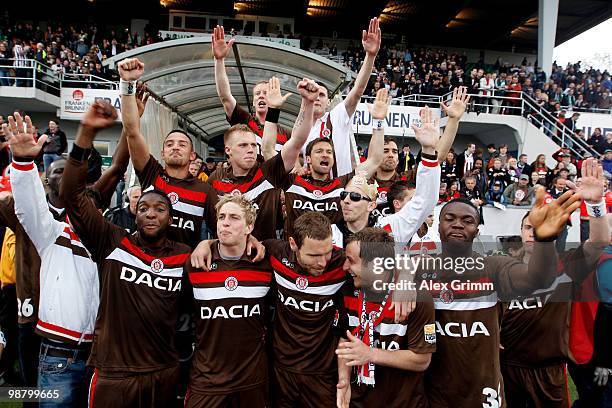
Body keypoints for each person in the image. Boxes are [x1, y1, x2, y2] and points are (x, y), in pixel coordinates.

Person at [59, 102, 192, 408]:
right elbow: (72, 197)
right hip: (113, 373)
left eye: (160, 209)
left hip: (163, 371)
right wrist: (86, 134)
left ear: (170, 219)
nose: (150, 213)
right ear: (133, 213)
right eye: (143, 207)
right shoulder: (112, 241)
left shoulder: (183, 256)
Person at [414, 189, 581, 406]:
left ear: (476, 230)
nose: (458, 224)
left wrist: (545, 240)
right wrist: (405, 281)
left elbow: (536, 279)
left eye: (467, 220)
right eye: (450, 218)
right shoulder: (420, 269)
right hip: (434, 393)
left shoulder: (493, 267)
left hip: (485, 393)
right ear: (438, 226)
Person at [5, 110, 105, 407]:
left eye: (91, 204)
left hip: (100, 357)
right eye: (79, 203)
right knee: (32, 395)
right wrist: (22, 163)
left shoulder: (111, 241)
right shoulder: (51, 231)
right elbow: (29, 205)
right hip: (53, 347)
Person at [501, 158, 609, 408]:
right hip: (505, 368)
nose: (533, 232)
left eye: (543, 227)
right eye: (529, 227)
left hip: (548, 372)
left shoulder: (568, 264)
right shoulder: (500, 267)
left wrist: (596, 204)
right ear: (521, 231)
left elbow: (598, 242)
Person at [118, 57, 219, 249]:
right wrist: (127, 84)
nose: (175, 147)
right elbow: (132, 131)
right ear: (162, 153)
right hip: (145, 263)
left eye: (182, 144)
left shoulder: (205, 190)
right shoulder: (152, 174)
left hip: (180, 269)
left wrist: (206, 245)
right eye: (170, 144)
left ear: (192, 155)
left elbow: (222, 230)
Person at [185, 194, 272, 408]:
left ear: (249, 227)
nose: (225, 222)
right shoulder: (197, 262)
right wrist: (206, 243)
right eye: (221, 216)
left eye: (234, 217)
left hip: (251, 382)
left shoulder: (265, 263)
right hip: (207, 380)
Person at [208, 77, 320, 241]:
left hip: (263, 258)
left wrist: (308, 103)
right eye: (243, 145)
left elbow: (296, 142)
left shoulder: (267, 173)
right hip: (226, 258)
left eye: (254, 146)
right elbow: (210, 222)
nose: (251, 150)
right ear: (228, 151)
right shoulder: (216, 179)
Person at [335, 228, 435, 408]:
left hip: (403, 403)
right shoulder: (348, 290)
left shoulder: (416, 298)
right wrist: (344, 380)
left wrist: (370, 354)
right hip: (358, 401)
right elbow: (345, 341)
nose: (345, 267)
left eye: (351, 261)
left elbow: (422, 360)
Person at [299, 18, 382, 177]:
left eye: (322, 95)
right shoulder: (300, 127)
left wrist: (370, 56)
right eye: (314, 93)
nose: (317, 97)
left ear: (329, 102)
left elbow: (357, 91)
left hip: (339, 192)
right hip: (310, 192)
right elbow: (295, 157)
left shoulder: (336, 116)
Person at [213, 26, 292, 152]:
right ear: (254, 103)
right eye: (257, 94)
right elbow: (225, 97)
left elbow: (295, 160)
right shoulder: (245, 122)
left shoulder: (287, 133)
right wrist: (219, 60)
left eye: (265, 93)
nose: (261, 96)